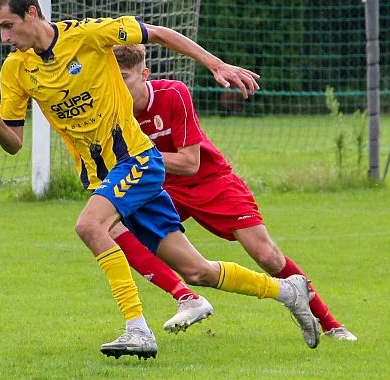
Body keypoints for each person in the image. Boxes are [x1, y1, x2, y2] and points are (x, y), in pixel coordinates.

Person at [0, 0, 320, 359]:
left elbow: (158, 33)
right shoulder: (16, 69)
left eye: (8, 26)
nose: (5, 37)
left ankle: (137, 329)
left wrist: (215, 64)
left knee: (90, 226)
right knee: (197, 272)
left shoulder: (89, 35)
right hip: (105, 177)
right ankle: (288, 291)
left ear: (32, 14)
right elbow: (14, 144)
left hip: (137, 161)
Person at [112, 43, 357, 342]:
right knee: (113, 227)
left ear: (144, 74)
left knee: (267, 255)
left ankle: (330, 323)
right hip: (161, 188)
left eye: (124, 77)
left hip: (211, 180)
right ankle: (186, 298)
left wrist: (136, 158)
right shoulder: (112, 111)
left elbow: (190, 163)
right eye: (113, 78)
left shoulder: (173, 94)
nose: (118, 86)